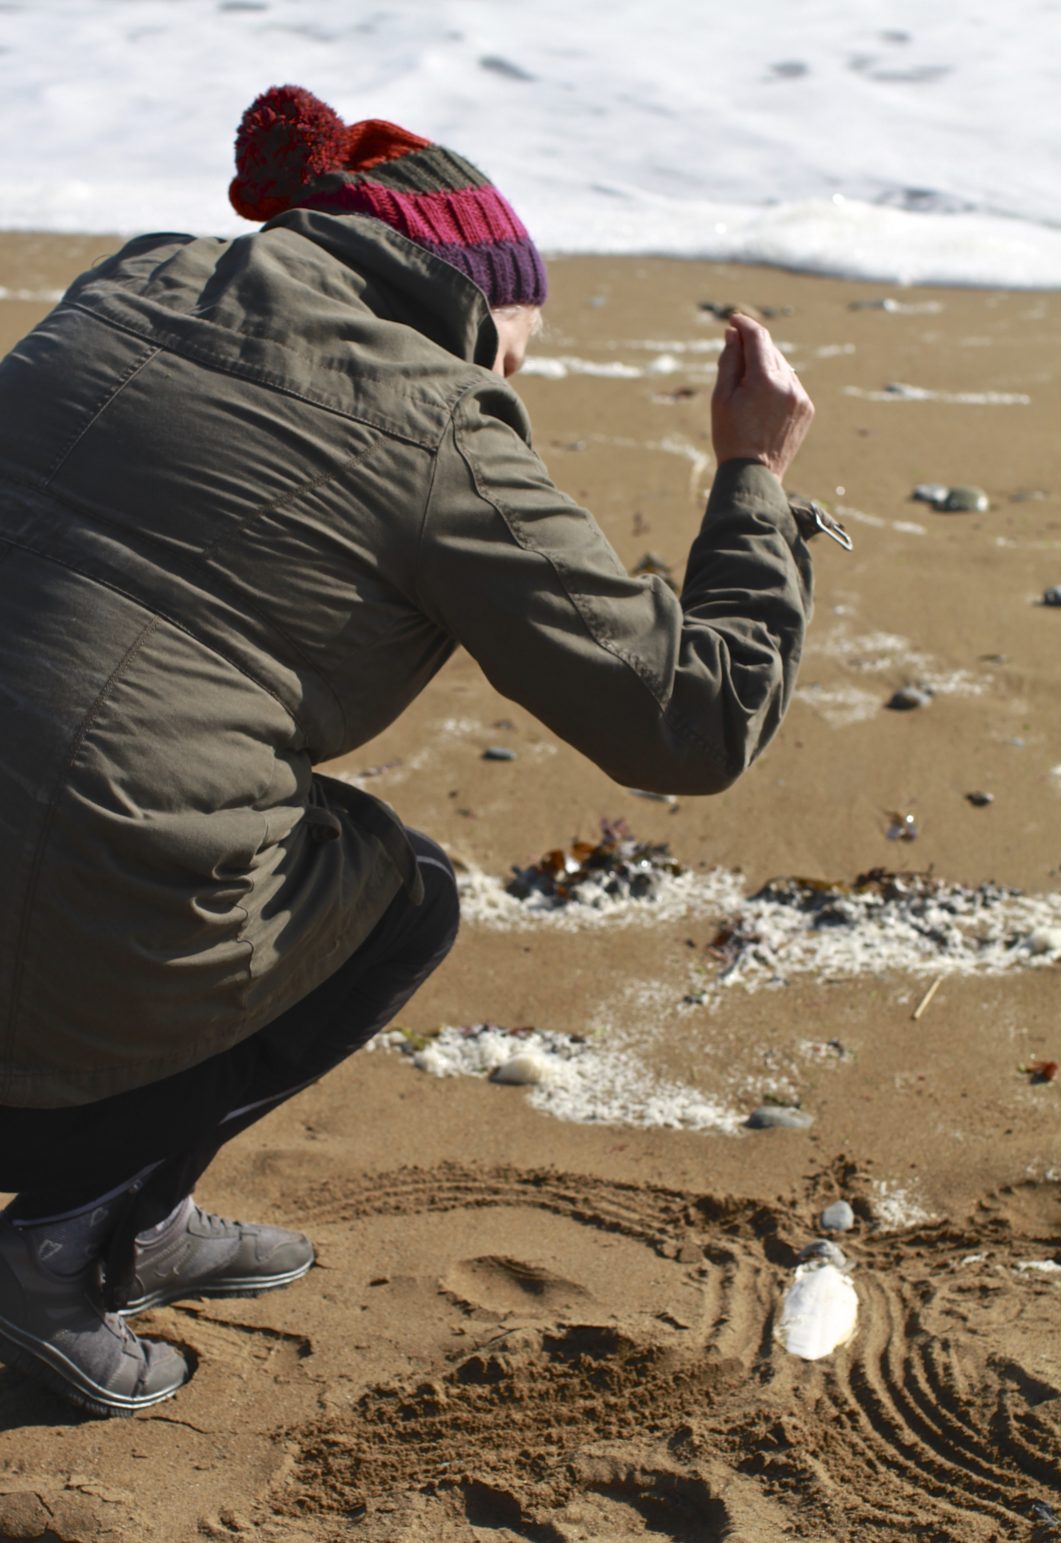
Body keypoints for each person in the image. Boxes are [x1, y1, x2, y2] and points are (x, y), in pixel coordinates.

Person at [0, 84, 819, 1417]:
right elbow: (693, 720)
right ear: (465, 303)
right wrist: (754, 481)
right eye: (516, 352)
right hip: (37, 1025)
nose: (509, 385)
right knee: (394, 891)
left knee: (192, 781)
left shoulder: (135, 281)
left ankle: (139, 1218)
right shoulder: (440, 419)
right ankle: (58, 1240)